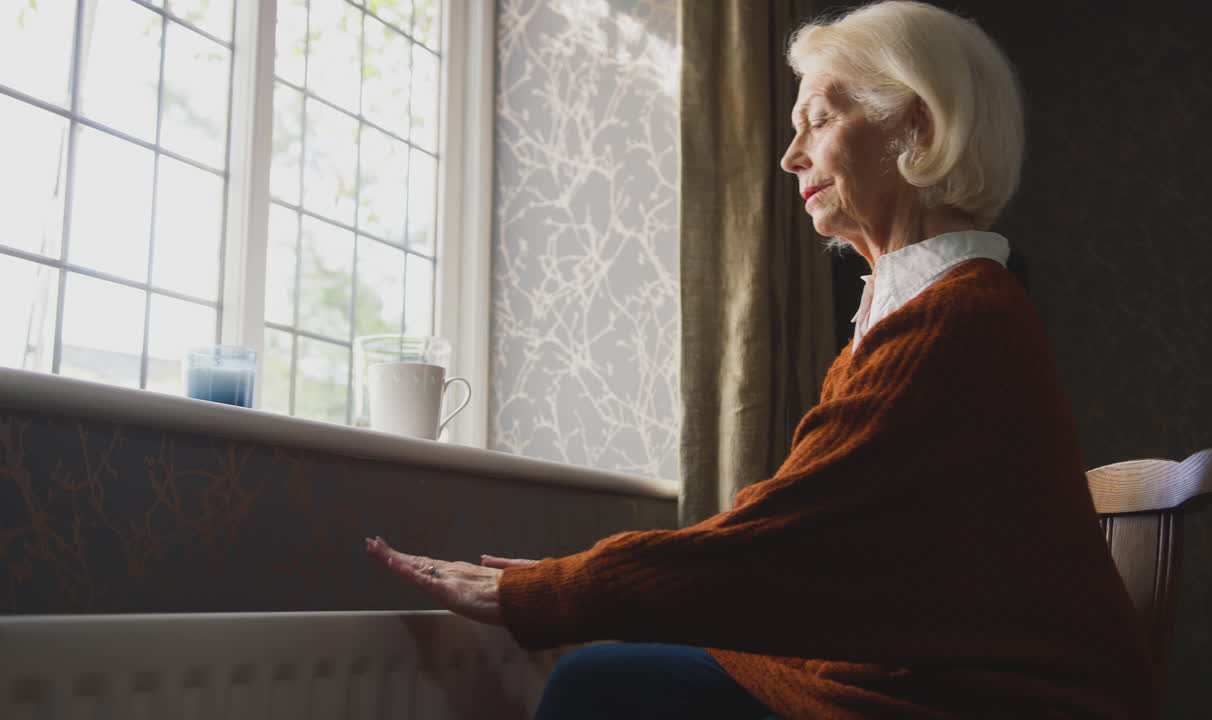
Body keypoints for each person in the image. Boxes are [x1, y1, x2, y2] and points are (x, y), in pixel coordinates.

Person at [366, 2, 1158, 717]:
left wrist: (556, 590)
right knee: (622, 673)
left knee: (596, 685)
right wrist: (574, 583)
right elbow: (807, 538)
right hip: (911, 678)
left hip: (980, 704)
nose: (790, 157)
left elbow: (782, 541)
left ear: (915, 127)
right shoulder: (922, 308)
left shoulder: (956, 318)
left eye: (817, 118)